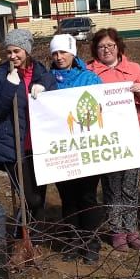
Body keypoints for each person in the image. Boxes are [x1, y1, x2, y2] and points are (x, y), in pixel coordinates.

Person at [0, 28, 56, 237]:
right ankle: (22, 233)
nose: (13, 56)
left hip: (39, 145)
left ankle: (33, 237)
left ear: (27, 50)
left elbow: (55, 96)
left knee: (40, 194)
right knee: (29, 196)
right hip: (14, 145)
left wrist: (44, 87)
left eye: (17, 51)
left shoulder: (41, 72)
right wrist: (10, 85)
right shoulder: (1, 74)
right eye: (9, 52)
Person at [87, 28, 140, 252]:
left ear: (118, 47)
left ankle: (132, 230)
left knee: (130, 186)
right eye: (101, 46)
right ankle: (117, 231)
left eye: (110, 45)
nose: (106, 50)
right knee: (111, 188)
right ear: (95, 50)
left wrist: (139, 93)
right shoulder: (90, 72)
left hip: (132, 138)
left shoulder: (134, 69)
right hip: (107, 140)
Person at [48, 33, 104, 264]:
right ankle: (73, 241)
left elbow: (102, 106)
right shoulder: (47, 79)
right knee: (68, 197)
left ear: (73, 53)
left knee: (88, 196)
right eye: (55, 53)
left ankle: (91, 242)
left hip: (86, 149)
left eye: (63, 52)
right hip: (62, 150)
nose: (59, 57)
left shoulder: (89, 78)